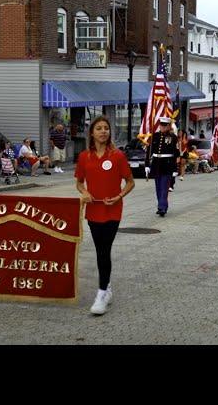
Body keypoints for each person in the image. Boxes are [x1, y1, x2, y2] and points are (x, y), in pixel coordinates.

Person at [75, 115, 135, 316]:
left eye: (106, 128)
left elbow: (130, 182)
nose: (103, 131)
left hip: (112, 210)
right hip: (93, 210)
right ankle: (107, 287)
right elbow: (79, 182)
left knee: (103, 250)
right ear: (92, 133)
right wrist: (84, 192)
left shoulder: (117, 156)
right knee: (100, 249)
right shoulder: (84, 157)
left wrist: (118, 196)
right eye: (99, 128)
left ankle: (101, 293)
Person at [145, 116, 178, 217]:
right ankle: (162, 205)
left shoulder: (173, 137)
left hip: (167, 164)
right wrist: (147, 165)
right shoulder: (154, 136)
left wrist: (175, 168)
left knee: (164, 187)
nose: (162, 127)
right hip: (156, 164)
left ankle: (162, 207)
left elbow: (176, 153)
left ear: (168, 126)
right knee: (158, 187)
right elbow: (149, 151)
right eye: (161, 125)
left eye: (164, 126)